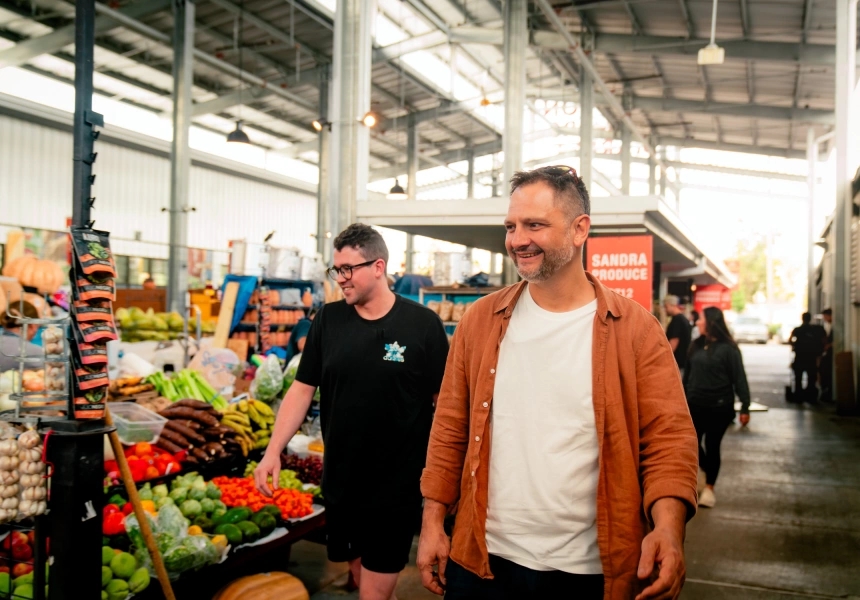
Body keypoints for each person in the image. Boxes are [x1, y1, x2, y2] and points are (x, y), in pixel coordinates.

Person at [417, 166, 698, 600]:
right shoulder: (480, 322)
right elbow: (449, 427)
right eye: (511, 226)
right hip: (482, 561)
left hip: (589, 571)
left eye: (534, 225)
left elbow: (668, 440)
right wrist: (433, 522)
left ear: (579, 228)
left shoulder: (635, 330)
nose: (517, 239)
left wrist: (668, 528)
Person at [254, 224, 450, 600]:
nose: (340, 279)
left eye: (348, 269)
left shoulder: (422, 325)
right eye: (336, 270)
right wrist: (273, 450)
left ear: (378, 267)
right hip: (341, 482)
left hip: (396, 487)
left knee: (372, 593)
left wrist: (444, 479)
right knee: (364, 579)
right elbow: (301, 388)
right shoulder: (328, 321)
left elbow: (444, 404)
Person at [684, 307, 750, 509]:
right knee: (691, 445)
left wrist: (745, 406)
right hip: (694, 404)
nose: (697, 322)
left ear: (711, 322)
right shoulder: (695, 345)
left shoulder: (728, 349)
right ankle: (704, 473)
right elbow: (687, 376)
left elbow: (739, 377)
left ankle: (709, 489)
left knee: (712, 447)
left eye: (701, 319)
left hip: (719, 408)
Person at [789, 313, 826, 403]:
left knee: (798, 378)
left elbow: (790, 340)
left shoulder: (797, 330)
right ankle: (811, 397)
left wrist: (795, 345)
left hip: (800, 357)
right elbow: (823, 340)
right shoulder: (815, 330)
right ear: (810, 319)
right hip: (811, 358)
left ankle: (798, 397)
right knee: (811, 378)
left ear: (802, 319)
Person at [664, 295, 692, 373]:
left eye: (666, 307)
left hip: (678, 363)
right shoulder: (683, 319)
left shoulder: (677, 320)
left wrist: (665, 359)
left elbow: (674, 341)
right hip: (683, 362)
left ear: (672, 305)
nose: (665, 310)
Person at [819, 308, 833, 403]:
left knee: (825, 372)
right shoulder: (830, 326)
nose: (824, 319)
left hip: (830, 354)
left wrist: (828, 345)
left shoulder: (834, 326)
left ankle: (828, 391)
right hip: (828, 353)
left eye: (825, 316)